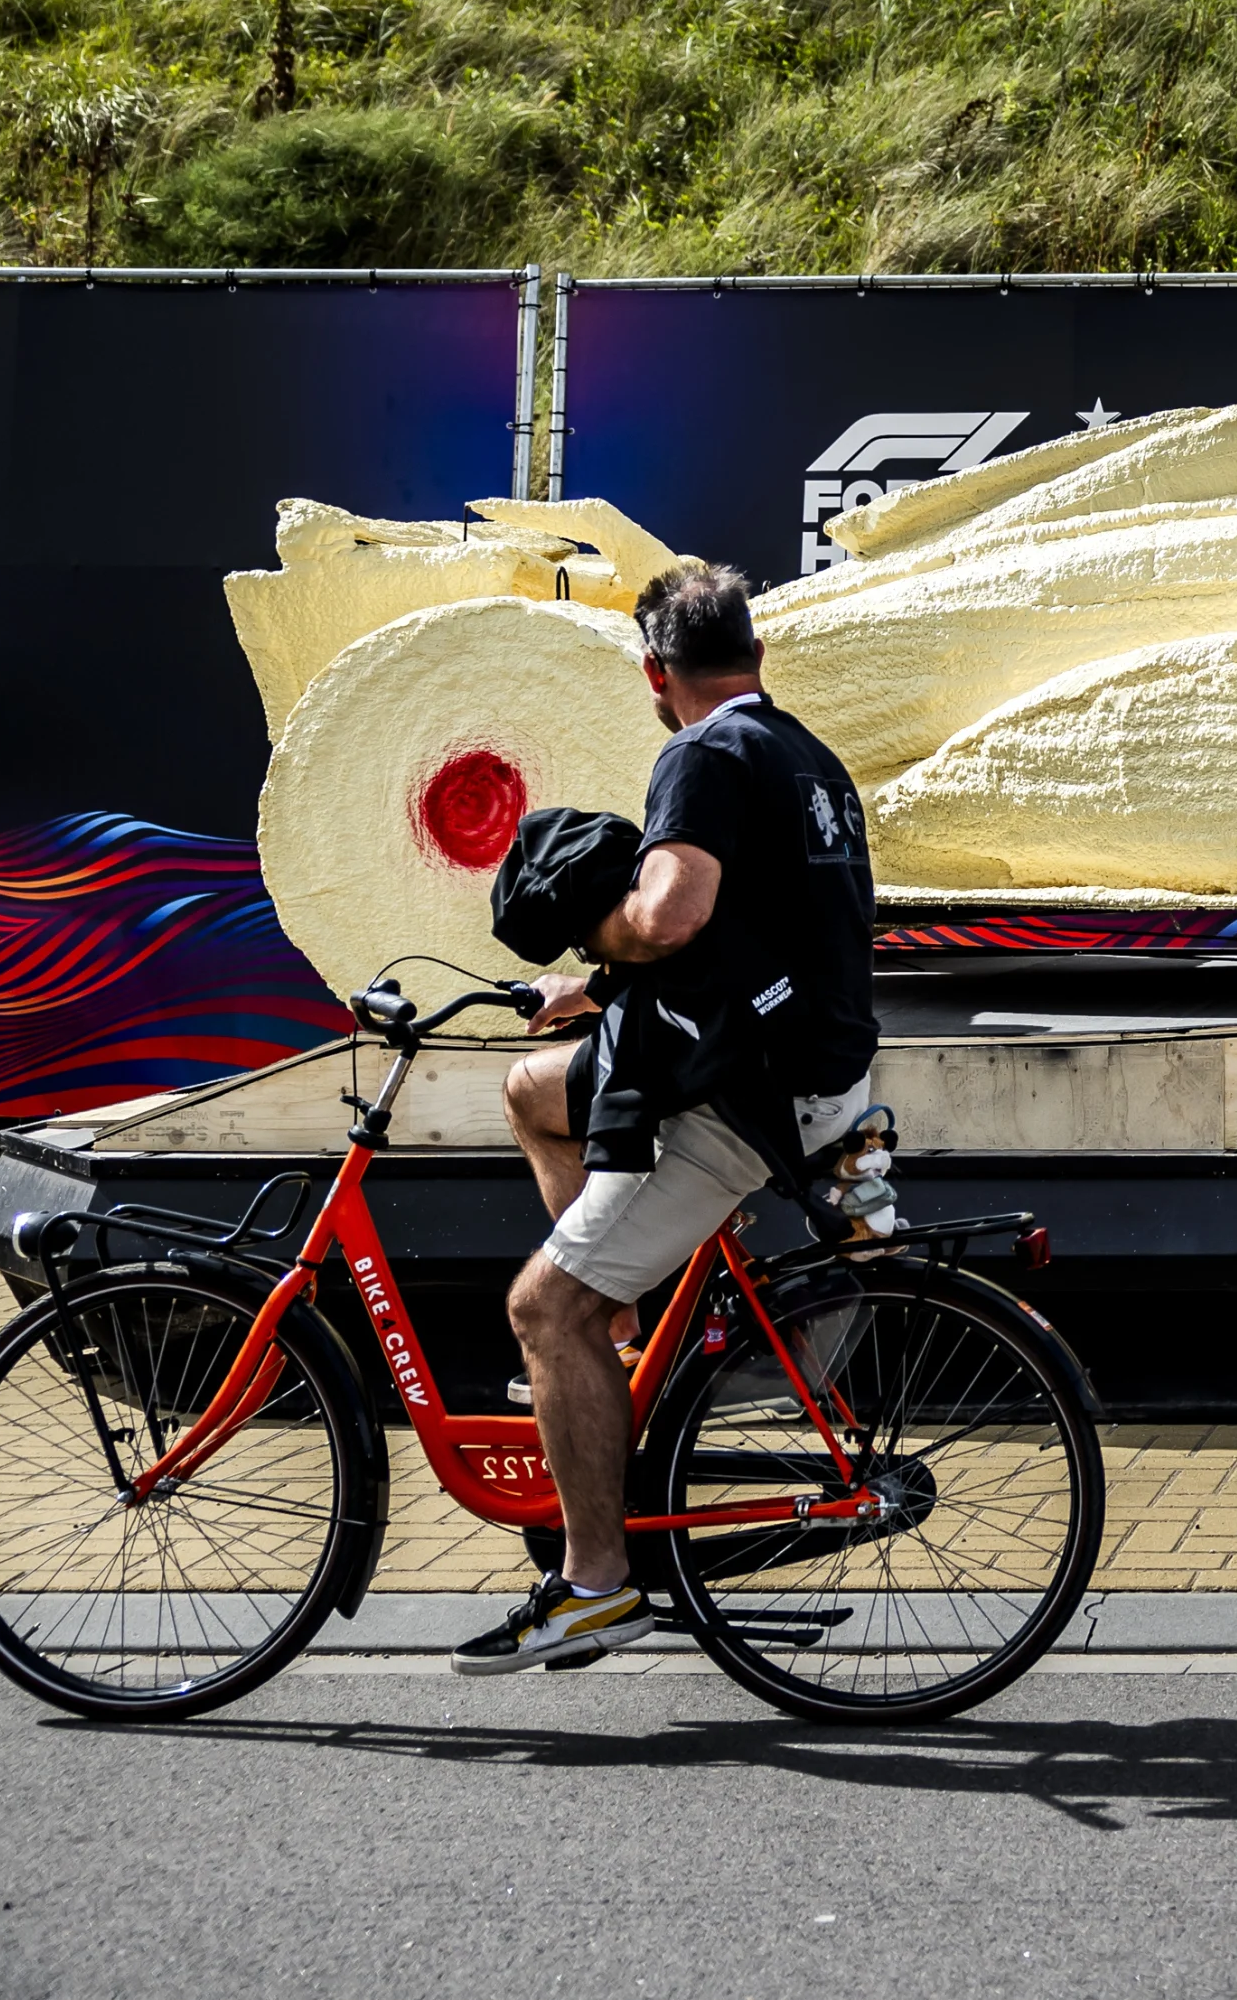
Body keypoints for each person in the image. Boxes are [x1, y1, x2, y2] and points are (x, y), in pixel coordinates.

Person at [453, 561, 880, 1675]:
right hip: (808, 1066)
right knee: (535, 1092)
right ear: (756, 655)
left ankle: (595, 1585)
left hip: (747, 1097)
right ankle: (632, 1330)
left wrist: (604, 936)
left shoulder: (700, 753)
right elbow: (754, 927)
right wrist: (591, 996)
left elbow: (674, 912)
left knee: (543, 1309)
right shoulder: (804, 756)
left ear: (656, 672)